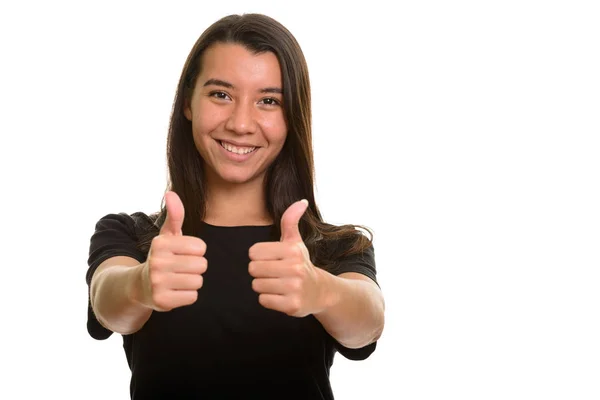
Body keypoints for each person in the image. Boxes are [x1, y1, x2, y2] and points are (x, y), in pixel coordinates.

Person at [85, 13, 385, 400]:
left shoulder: (334, 247)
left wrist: (320, 291)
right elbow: (109, 304)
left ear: (292, 116)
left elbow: (368, 322)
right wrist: (141, 284)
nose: (242, 124)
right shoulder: (132, 235)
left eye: (268, 101)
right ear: (188, 103)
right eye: (221, 94)